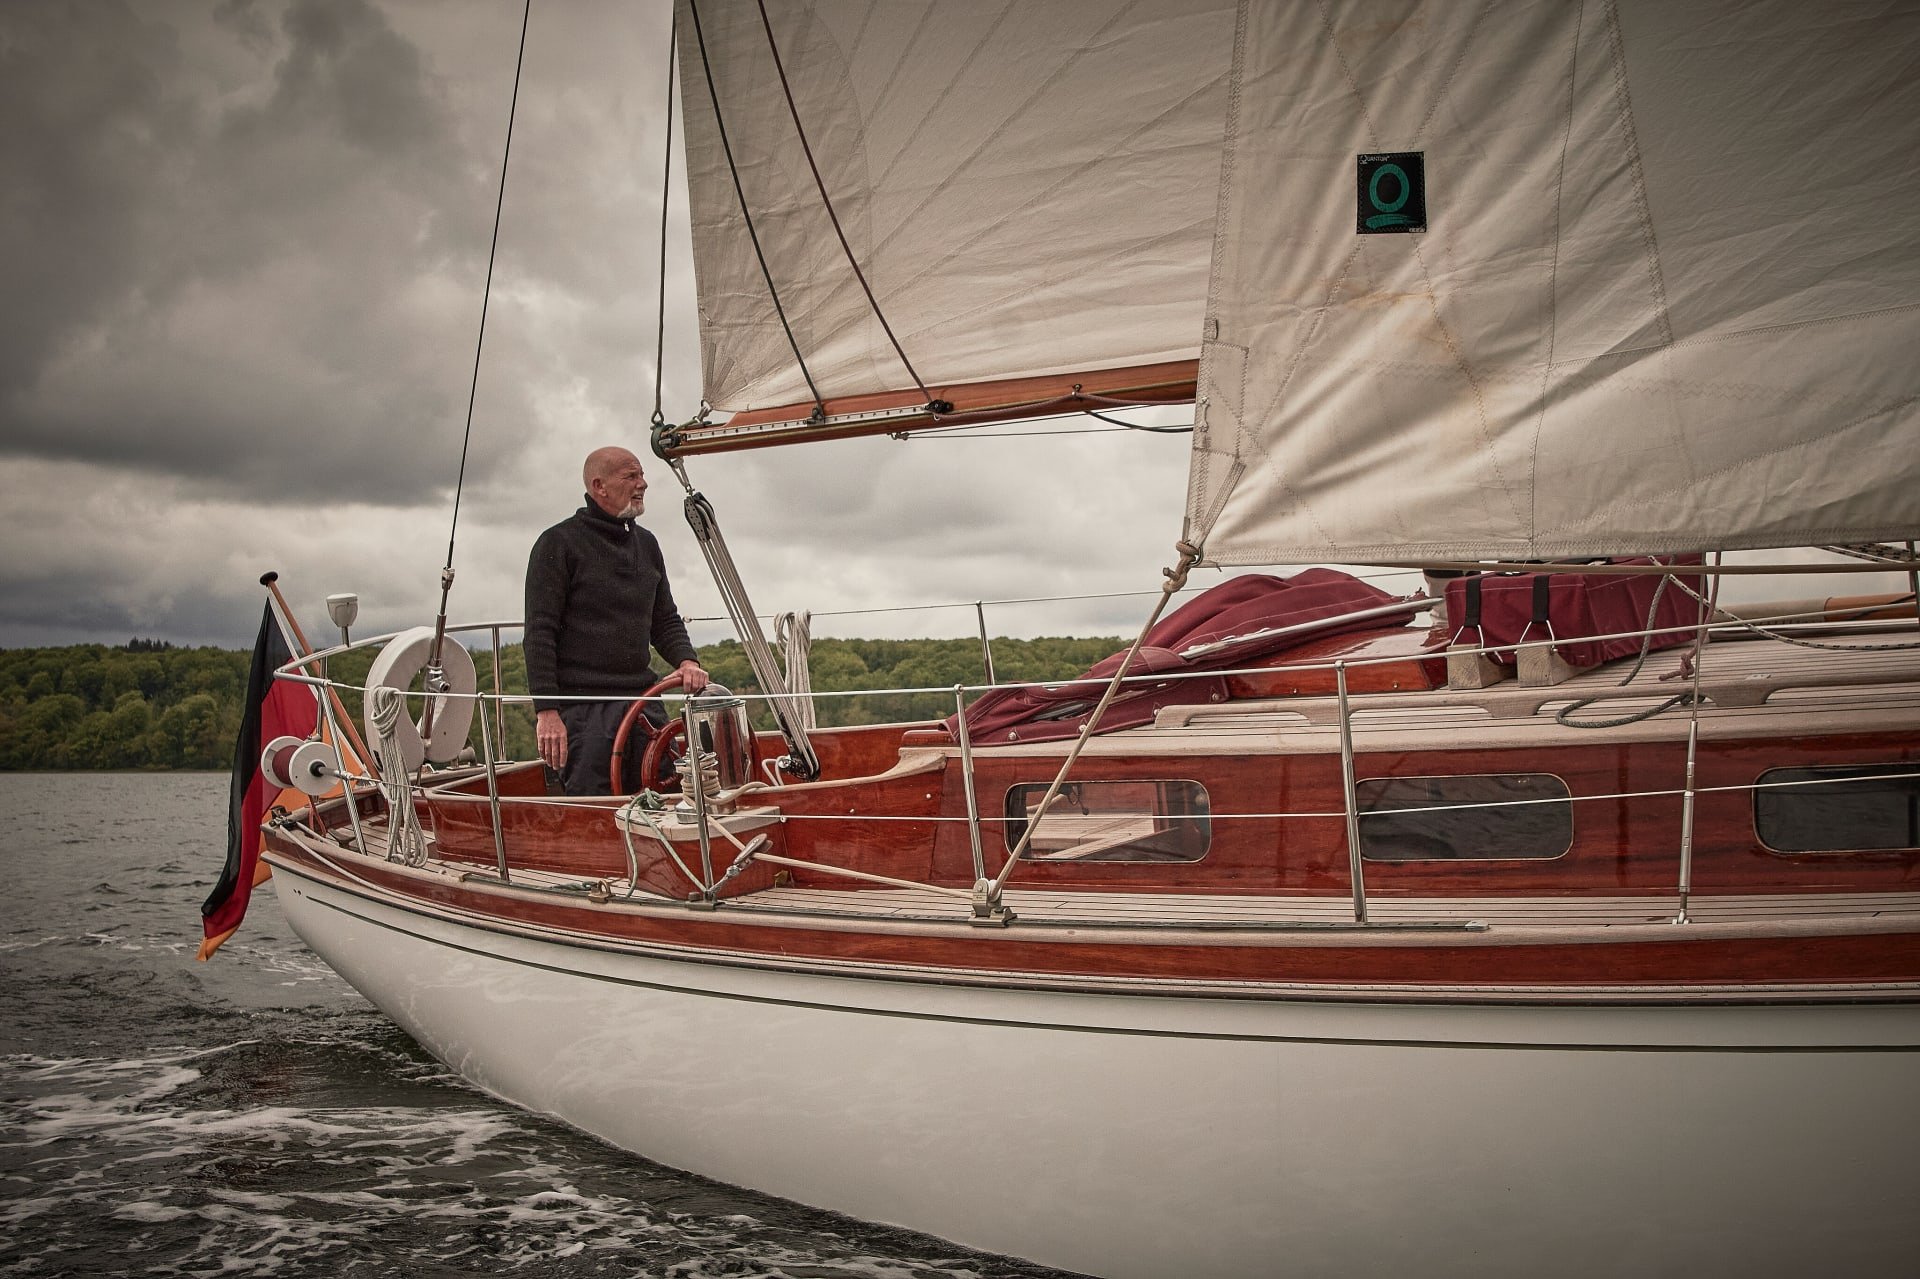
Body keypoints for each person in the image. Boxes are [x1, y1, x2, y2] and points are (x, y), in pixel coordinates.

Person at [525, 446, 709, 795]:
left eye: (642, 475)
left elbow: (665, 618)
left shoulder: (647, 545)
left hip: (644, 702)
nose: (644, 484)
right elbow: (539, 634)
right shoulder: (558, 544)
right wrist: (546, 711)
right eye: (632, 476)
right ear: (600, 486)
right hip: (583, 711)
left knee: (664, 798)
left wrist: (687, 661)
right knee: (594, 810)